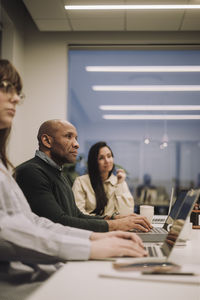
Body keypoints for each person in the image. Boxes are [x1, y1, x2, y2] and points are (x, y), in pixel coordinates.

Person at [0, 59, 147, 299]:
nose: (15, 97)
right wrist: (96, 241)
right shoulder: (31, 172)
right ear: (47, 141)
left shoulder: (49, 172)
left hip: (40, 268)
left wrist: (100, 235)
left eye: (18, 91)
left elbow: (36, 223)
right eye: (6, 86)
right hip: (20, 283)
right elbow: (23, 229)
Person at [15, 119, 152, 233]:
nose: (77, 144)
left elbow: (76, 215)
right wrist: (116, 225)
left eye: (76, 138)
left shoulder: (59, 174)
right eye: (69, 137)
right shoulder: (31, 172)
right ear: (47, 141)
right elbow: (59, 222)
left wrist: (115, 219)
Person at [72, 141, 134, 218]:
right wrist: (106, 220)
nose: (107, 161)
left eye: (109, 156)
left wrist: (120, 185)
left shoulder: (118, 182)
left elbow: (126, 213)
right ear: (94, 162)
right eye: (101, 158)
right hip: (90, 228)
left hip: (115, 228)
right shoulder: (81, 182)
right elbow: (78, 214)